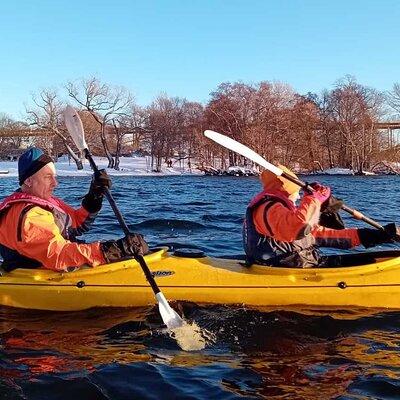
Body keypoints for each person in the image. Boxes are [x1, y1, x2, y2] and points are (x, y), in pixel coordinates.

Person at [0, 147, 148, 272]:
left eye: (55, 177)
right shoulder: (31, 215)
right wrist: (110, 250)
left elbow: (77, 223)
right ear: (28, 180)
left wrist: (94, 195)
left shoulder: (44, 201)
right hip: (44, 275)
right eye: (48, 177)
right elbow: (58, 255)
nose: (55, 183)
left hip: (60, 266)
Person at [243, 165, 399, 268]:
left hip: (302, 265)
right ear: (286, 189)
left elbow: (325, 235)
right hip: (285, 270)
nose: (298, 197)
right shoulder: (268, 208)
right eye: (296, 193)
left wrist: (377, 236)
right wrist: (314, 199)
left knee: (365, 260)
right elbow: (297, 228)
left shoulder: (280, 210)